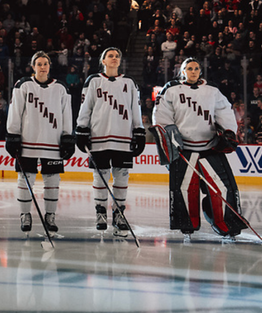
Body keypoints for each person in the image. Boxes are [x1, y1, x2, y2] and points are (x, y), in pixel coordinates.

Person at [151, 58, 247, 238]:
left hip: (210, 148)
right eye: (189, 68)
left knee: (222, 188)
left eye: (196, 68)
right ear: (182, 71)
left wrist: (228, 132)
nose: (193, 71)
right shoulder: (170, 89)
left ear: (200, 71)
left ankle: (224, 221)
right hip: (184, 150)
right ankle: (187, 222)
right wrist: (169, 138)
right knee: (186, 189)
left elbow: (224, 111)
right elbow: (161, 114)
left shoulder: (212, 90)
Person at [75, 47, 145, 237]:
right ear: (103, 61)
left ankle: (119, 214)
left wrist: (139, 130)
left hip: (123, 137)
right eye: (110, 56)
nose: (114, 59)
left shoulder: (129, 82)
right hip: (99, 136)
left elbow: (135, 108)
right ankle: (100, 213)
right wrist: (81, 128)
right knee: (100, 176)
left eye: (117, 56)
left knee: (122, 176)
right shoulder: (94, 81)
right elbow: (85, 106)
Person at [5, 51, 75, 234]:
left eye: (45, 64)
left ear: (49, 66)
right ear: (33, 66)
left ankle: (50, 216)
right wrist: (13, 134)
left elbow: (67, 114)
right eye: (39, 64)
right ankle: (25, 215)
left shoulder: (61, 87)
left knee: (52, 180)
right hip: (28, 140)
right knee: (25, 178)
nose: (42, 67)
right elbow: (15, 111)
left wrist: (68, 136)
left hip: (53, 142)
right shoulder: (23, 85)